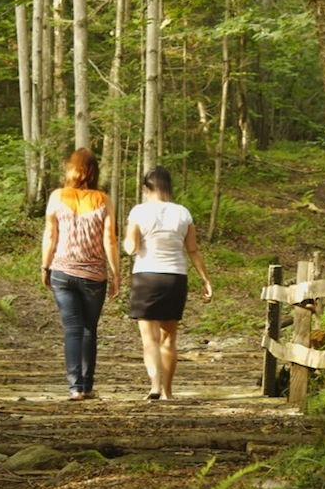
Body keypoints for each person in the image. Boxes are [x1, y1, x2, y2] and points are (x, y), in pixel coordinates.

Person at [124, 166, 212, 400]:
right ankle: (168, 392)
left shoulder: (139, 212)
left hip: (146, 277)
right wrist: (205, 279)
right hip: (174, 278)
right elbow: (192, 249)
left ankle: (154, 385)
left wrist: (126, 240)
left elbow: (131, 248)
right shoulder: (183, 213)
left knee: (149, 338)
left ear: (146, 188)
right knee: (169, 338)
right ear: (169, 187)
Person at [41, 148, 121, 401]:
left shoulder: (56, 197)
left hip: (62, 272)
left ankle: (75, 388)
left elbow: (50, 236)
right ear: (94, 171)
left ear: (71, 169)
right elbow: (110, 239)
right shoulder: (103, 199)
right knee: (89, 329)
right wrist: (116, 273)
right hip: (94, 275)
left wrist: (45, 266)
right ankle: (87, 386)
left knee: (72, 329)